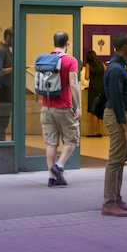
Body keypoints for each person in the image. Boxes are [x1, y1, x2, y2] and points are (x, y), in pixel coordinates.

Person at [101, 33, 127, 217]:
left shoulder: (120, 66)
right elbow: (116, 100)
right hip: (118, 116)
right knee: (115, 161)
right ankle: (109, 203)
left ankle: (116, 198)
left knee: (120, 160)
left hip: (122, 115)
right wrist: (126, 128)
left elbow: (119, 90)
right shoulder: (116, 69)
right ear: (124, 47)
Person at [41, 31, 81, 187]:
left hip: (46, 107)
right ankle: (59, 166)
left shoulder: (45, 59)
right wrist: (79, 106)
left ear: (54, 43)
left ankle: (52, 178)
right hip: (63, 106)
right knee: (72, 139)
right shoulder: (70, 60)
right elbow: (74, 84)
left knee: (51, 144)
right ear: (67, 44)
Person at [83, 50, 106, 137]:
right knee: (100, 110)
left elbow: (86, 77)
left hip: (93, 88)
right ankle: (100, 131)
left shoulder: (88, 65)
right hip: (101, 88)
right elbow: (107, 74)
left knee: (93, 110)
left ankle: (94, 131)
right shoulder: (102, 64)